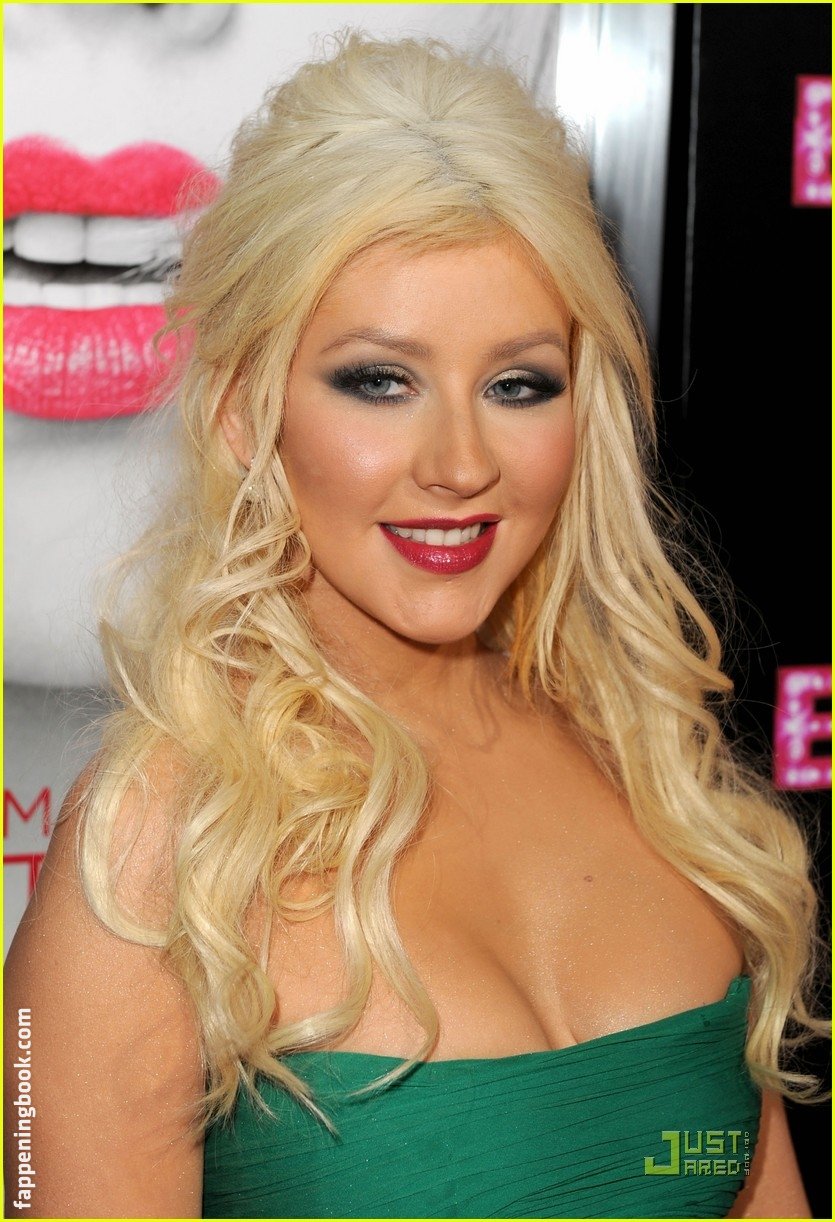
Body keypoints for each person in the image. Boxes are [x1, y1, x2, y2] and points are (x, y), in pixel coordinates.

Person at [3, 32, 828, 1221]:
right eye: (380, 381)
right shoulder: (151, 853)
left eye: (517, 384)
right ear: (242, 409)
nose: (459, 463)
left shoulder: (641, 759)